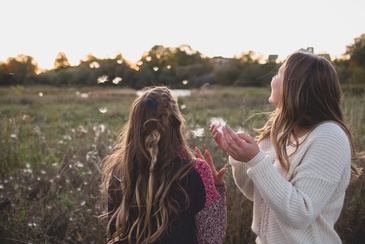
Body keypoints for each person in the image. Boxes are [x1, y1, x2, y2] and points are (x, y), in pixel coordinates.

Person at [210, 50, 363, 244]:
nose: (273, 79)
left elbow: (300, 213)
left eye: (279, 73)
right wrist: (238, 156)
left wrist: (255, 159)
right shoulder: (278, 131)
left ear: (296, 85)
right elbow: (253, 192)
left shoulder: (329, 136)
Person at [100, 86, 227, 244]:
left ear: (135, 124)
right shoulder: (197, 172)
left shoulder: (118, 170)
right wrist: (217, 188)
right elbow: (212, 238)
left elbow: (114, 232)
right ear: (177, 122)